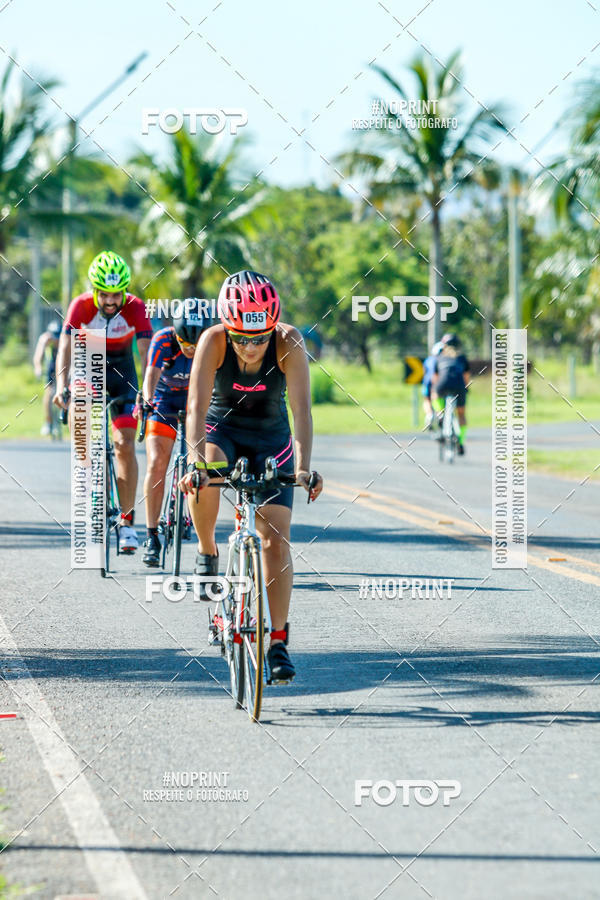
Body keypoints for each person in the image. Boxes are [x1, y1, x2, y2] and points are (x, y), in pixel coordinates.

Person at [179, 270, 323, 683]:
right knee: (207, 469)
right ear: (228, 327)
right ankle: (207, 550)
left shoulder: (289, 341)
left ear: (272, 328)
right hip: (221, 429)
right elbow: (194, 406)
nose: (251, 347)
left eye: (259, 338)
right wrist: (193, 463)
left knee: (276, 540)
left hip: (270, 438)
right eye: (241, 337)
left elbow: (302, 412)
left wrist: (303, 468)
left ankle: (277, 641)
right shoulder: (212, 341)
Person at [53, 251, 152, 552]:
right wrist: (61, 387)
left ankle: (127, 523)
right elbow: (65, 350)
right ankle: (89, 471)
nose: (111, 301)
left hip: (123, 372)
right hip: (88, 365)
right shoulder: (80, 306)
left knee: (124, 445)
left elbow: (148, 354)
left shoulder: (135, 308)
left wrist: (147, 391)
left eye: (117, 294)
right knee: (81, 425)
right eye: (104, 295)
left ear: (125, 291)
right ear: (94, 290)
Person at [141, 300, 209, 567]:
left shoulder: (213, 341)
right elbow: (151, 375)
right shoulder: (163, 340)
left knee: (203, 462)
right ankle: (151, 535)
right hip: (164, 400)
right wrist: (147, 401)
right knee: (157, 463)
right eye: (185, 345)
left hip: (195, 400)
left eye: (196, 346)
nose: (191, 351)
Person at [432, 333, 470, 455]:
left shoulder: (439, 358)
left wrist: (435, 389)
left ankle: (440, 414)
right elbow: (466, 377)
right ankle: (461, 441)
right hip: (459, 386)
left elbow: (435, 378)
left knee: (434, 394)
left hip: (443, 385)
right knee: (461, 414)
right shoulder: (462, 358)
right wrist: (466, 389)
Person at [33, 321, 61, 436]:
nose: (56, 341)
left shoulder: (66, 337)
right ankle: (48, 422)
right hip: (51, 364)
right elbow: (38, 357)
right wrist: (38, 368)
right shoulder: (44, 339)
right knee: (49, 393)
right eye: (54, 338)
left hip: (63, 363)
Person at [422, 341, 444, 430]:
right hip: (438, 381)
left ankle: (429, 415)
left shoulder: (428, 360)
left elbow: (425, 372)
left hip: (427, 382)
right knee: (438, 398)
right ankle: (440, 414)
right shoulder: (442, 359)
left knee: (427, 399)